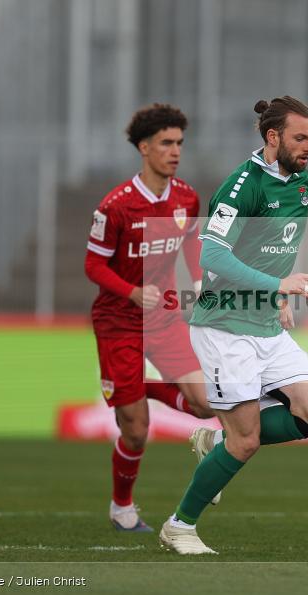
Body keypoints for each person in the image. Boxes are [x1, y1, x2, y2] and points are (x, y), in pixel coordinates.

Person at [158, 96, 308, 555]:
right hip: (224, 327)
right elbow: (213, 255)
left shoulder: (301, 182)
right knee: (248, 439)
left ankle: (216, 438)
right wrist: (277, 283)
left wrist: (275, 294)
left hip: (265, 324)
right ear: (273, 137)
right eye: (301, 137)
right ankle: (180, 525)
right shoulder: (242, 185)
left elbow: (274, 244)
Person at [84, 103, 216, 533]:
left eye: (179, 142)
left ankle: (141, 394)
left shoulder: (185, 197)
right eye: (166, 143)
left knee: (203, 402)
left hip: (163, 317)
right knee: (137, 431)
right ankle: (122, 507)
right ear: (144, 148)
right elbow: (93, 266)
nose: (175, 151)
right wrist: (132, 291)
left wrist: (200, 281)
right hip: (118, 321)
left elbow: (192, 243)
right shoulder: (116, 206)